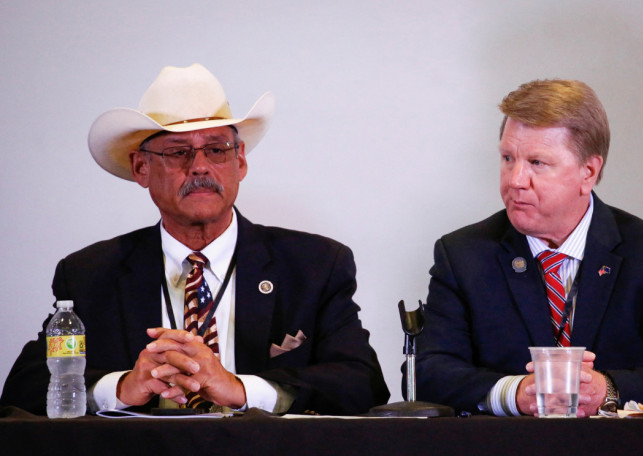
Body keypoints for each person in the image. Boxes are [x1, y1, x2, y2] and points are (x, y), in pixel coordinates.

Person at [1, 63, 389, 416]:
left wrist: (239, 389)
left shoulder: (315, 264)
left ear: (239, 163)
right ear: (141, 168)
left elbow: (363, 384)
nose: (200, 166)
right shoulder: (90, 274)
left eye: (217, 150)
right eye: (178, 152)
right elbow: (26, 386)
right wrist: (121, 387)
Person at [412, 79, 643, 417]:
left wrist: (607, 389)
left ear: (588, 172)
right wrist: (514, 392)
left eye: (537, 162)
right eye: (508, 158)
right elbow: (426, 374)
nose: (515, 179)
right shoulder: (463, 255)